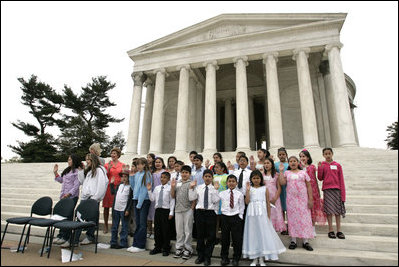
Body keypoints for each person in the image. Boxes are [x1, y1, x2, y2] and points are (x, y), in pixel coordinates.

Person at [243, 170, 286, 266]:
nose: (256, 180)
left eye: (258, 178)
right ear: (251, 179)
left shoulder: (264, 188)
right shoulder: (249, 189)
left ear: (261, 179)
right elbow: (247, 202)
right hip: (252, 214)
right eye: (254, 178)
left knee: (262, 234)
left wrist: (268, 216)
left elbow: (267, 202)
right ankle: (254, 258)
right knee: (253, 234)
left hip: (262, 214)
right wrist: (247, 190)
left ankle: (262, 258)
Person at [279, 156, 314, 251]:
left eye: (294, 161)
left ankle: (305, 241)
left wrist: (310, 199)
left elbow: (309, 186)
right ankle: (293, 240)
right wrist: (281, 171)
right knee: (292, 219)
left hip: (303, 200)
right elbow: (282, 183)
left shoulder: (303, 173)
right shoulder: (287, 173)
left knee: (304, 219)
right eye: (290, 161)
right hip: (291, 201)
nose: (292, 163)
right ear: (289, 163)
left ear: (297, 162)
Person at [73, 153, 108, 246]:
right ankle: (75, 239)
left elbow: (101, 185)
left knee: (92, 219)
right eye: (86, 159)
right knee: (79, 218)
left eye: (88, 159)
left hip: (93, 198)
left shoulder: (100, 170)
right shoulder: (88, 171)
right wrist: (80, 171)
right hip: (85, 197)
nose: (87, 161)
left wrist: (95, 198)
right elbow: (82, 182)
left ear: (93, 160)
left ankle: (90, 236)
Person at [189, 169, 221, 266]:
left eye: (209, 176)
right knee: (200, 235)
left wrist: (216, 190)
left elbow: (216, 200)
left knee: (211, 236)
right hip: (200, 212)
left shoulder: (214, 188)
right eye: (206, 176)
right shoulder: (198, 187)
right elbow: (192, 198)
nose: (207, 178)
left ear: (212, 178)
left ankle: (208, 257)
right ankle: (200, 256)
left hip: (210, 213)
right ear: (203, 177)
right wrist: (192, 188)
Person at [52, 154, 81, 246]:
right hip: (63, 196)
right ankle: (61, 235)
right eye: (68, 160)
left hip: (71, 197)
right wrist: (55, 173)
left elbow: (76, 185)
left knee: (68, 217)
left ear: (74, 161)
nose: (68, 161)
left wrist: (68, 194)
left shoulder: (77, 171)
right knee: (62, 216)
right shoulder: (67, 170)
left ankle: (66, 236)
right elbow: (61, 181)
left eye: (70, 160)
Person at [317, 147, 346, 240]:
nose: (328, 155)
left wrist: (343, 196)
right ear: (323, 155)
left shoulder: (337, 165)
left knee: (338, 211)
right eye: (326, 154)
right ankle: (330, 230)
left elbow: (341, 180)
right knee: (329, 211)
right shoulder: (323, 165)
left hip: (337, 190)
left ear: (332, 154)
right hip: (327, 190)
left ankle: (339, 230)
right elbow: (320, 178)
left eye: (329, 153)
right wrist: (320, 168)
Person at [127, 157, 153, 253]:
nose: (138, 166)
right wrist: (131, 177)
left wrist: (139, 203)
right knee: (137, 223)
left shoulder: (147, 174)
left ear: (144, 165)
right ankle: (135, 243)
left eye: (140, 164)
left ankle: (141, 245)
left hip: (144, 201)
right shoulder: (137, 174)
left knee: (142, 224)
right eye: (137, 164)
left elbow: (144, 190)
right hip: (136, 200)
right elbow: (134, 188)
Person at [299, 149, 326, 236]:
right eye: (300, 156)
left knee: (313, 210)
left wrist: (318, 191)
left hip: (313, 191)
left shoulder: (312, 167)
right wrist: (302, 167)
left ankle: (313, 228)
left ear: (308, 157)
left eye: (304, 156)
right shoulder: (299, 167)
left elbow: (315, 179)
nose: (302, 158)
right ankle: (306, 227)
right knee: (306, 210)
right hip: (303, 191)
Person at [147, 171, 175, 256]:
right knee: (157, 230)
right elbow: (152, 199)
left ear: (168, 179)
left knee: (165, 230)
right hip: (158, 210)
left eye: (164, 177)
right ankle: (157, 247)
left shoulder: (170, 188)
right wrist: (149, 190)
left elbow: (172, 201)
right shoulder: (157, 188)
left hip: (166, 210)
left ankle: (166, 248)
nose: (162, 179)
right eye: (161, 177)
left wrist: (171, 212)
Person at [219, 174, 244, 266]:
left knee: (236, 239)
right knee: (224, 239)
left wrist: (240, 216)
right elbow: (215, 202)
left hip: (235, 217)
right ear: (227, 183)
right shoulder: (222, 193)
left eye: (233, 181)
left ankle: (236, 258)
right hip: (225, 217)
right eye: (229, 181)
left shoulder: (239, 194)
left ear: (236, 183)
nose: (231, 183)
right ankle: (224, 257)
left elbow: (242, 206)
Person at [171, 165, 195, 260]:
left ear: (189, 174)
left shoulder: (191, 183)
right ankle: (179, 248)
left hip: (188, 209)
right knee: (179, 230)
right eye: (183, 172)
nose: (184, 174)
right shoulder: (177, 183)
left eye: (186, 172)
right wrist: (173, 187)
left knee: (188, 230)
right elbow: (173, 196)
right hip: (178, 210)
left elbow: (194, 198)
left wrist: (192, 208)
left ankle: (188, 249)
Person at [103, 147, 125, 234]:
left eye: (115, 153)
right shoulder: (107, 165)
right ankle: (105, 225)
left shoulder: (122, 165)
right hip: (109, 187)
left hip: (118, 188)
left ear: (118, 155)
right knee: (106, 207)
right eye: (112, 153)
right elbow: (104, 175)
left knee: (115, 208)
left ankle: (114, 225)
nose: (113, 155)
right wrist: (108, 169)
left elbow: (123, 175)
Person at [110, 168, 133, 249]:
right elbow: (113, 193)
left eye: (125, 177)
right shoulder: (120, 185)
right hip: (116, 208)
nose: (123, 178)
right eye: (122, 176)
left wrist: (128, 210)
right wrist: (111, 184)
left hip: (124, 209)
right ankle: (113, 242)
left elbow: (130, 200)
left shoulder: (130, 187)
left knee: (124, 227)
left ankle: (123, 243)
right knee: (114, 226)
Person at [263, 157, 286, 233]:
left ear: (272, 165)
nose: (266, 165)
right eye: (265, 163)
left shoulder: (276, 175)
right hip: (264, 199)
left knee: (274, 216)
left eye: (268, 163)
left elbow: (279, 188)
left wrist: (275, 199)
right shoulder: (262, 175)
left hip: (274, 199)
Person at [147, 157, 166, 239]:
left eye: (159, 162)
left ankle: (156, 231)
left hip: (161, 194)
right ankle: (149, 231)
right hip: (152, 194)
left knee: (156, 215)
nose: (157, 164)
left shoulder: (164, 172)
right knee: (150, 214)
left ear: (162, 163)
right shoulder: (152, 172)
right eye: (156, 162)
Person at [212, 162, 229, 242]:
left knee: (223, 220)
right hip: (215, 200)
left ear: (222, 168)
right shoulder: (213, 176)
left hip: (223, 200)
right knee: (216, 220)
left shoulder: (226, 176)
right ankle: (215, 236)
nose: (216, 169)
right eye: (215, 167)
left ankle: (223, 237)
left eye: (218, 167)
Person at [275, 147, 289, 235]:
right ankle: (283, 226)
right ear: (278, 156)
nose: (282, 156)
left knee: (288, 208)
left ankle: (290, 226)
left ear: (286, 155)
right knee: (281, 208)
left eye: (283, 154)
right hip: (279, 188)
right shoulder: (275, 164)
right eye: (280, 155)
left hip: (288, 188)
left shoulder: (289, 164)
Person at [128, 158, 138, 237]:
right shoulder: (130, 175)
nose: (132, 168)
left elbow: (134, 187)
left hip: (135, 197)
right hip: (129, 197)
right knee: (130, 215)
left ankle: (134, 230)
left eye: (133, 166)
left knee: (134, 215)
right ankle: (130, 229)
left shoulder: (137, 176)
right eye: (131, 166)